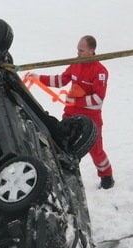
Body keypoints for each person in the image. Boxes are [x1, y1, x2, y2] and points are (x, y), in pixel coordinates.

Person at [31, 35, 114, 189]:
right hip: (70, 115)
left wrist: (78, 101)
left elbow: (98, 100)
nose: (78, 53)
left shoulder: (100, 72)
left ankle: (107, 177)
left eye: (81, 51)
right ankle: (63, 178)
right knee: (61, 145)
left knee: (96, 152)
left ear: (91, 51)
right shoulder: (75, 64)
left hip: (90, 120)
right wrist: (39, 78)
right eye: (77, 49)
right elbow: (61, 80)